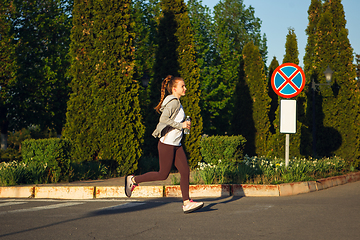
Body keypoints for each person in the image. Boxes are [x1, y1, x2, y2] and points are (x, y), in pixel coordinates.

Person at [125, 75, 204, 214]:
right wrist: (181, 125)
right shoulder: (173, 102)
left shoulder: (178, 103)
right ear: (174, 89)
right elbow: (163, 119)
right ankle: (133, 179)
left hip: (176, 144)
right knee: (163, 174)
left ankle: (186, 202)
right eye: (182, 86)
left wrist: (184, 125)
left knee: (185, 171)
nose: (185, 88)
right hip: (167, 144)